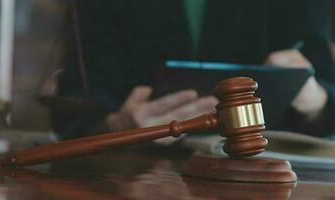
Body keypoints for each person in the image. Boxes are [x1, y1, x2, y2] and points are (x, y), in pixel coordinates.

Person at [52, 0, 335, 140]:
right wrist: (115, 127)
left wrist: (318, 102)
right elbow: (74, 107)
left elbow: (326, 86)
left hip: (268, 178)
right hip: (136, 177)